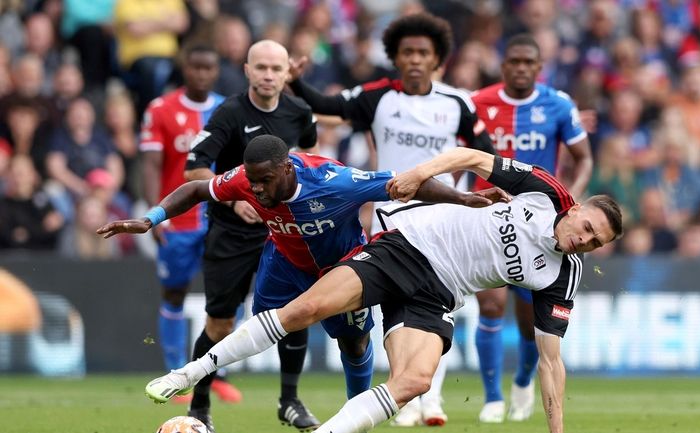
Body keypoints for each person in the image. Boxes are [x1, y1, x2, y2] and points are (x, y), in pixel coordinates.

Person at [130, 147, 623, 433]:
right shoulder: (543, 191)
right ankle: (189, 372)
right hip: (407, 246)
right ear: (576, 208)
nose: (585, 240)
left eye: (596, 242)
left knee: (416, 383)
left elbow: (551, 361)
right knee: (307, 308)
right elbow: (472, 156)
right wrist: (421, 173)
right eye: (587, 227)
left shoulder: (561, 274)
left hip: (439, 293)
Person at [100, 134, 501, 422]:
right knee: (272, 329)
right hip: (283, 264)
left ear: (287, 168)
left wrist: (465, 198)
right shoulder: (245, 178)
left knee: (354, 344)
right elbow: (196, 190)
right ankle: (214, 384)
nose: (255, 189)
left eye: (264, 181)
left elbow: (408, 184)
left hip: (342, 268)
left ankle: (354, 414)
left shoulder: (335, 181)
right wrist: (149, 219)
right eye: (252, 181)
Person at [288, 13, 496, 425]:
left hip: (443, 218)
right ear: (396, 58)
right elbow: (327, 106)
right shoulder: (377, 97)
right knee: (393, 305)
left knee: (439, 302)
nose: (415, 59)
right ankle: (406, 390)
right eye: (407, 53)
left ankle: (430, 398)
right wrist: (295, 82)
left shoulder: (458, 103)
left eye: (424, 53)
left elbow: (486, 155)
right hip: (391, 217)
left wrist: (477, 201)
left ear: (437, 59)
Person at [180, 40, 321, 431]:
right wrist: (232, 201)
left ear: (287, 72)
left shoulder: (300, 112)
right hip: (231, 233)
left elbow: (312, 157)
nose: (269, 75)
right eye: (261, 67)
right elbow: (194, 169)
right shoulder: (228, 113)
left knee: (296, 315)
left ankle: (289, 401)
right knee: (219, 325)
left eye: (276, 68)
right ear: (246, 70)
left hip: (283, 233)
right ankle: (200, 407)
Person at [468, 34, 593, 423]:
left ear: (539, 68)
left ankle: (523, 378)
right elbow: (462, 154)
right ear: (503, 65)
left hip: (540, 225)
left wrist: (570, 202)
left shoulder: (557, 104)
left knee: (528, 321)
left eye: (529, 63)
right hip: (488, 213)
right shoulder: (477, 102)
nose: (521, 68)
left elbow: (583, 158)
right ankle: (491, 397)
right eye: (514, 61)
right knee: (489, 303)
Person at [139, 44, 233, 405]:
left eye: (208, 67)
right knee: (175, 293)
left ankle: (217, 373)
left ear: (215, 69)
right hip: (177, 220)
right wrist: (152, 210)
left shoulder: (227, 109)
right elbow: (150, 163)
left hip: (219, 219)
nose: (202, 74)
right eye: (195, 67)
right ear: (185, 68)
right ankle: (175, 371)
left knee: (224, 296)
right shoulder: (161, 109)